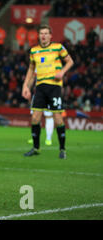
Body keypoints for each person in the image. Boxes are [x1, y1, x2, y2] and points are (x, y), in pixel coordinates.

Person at [22, 25, 74, 159]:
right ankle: (36, 148)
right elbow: (31, 70)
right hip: (40, 87)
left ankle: (62, 149)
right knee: (35, 118)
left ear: (51, 36)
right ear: (39, 36)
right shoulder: (34, 51)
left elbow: (70, 61)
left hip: (54, 87)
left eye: (46, 33)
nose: (43, 36)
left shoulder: (58, 47)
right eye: (41, 33)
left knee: (58, 118)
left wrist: (62, 72)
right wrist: (25, 86)